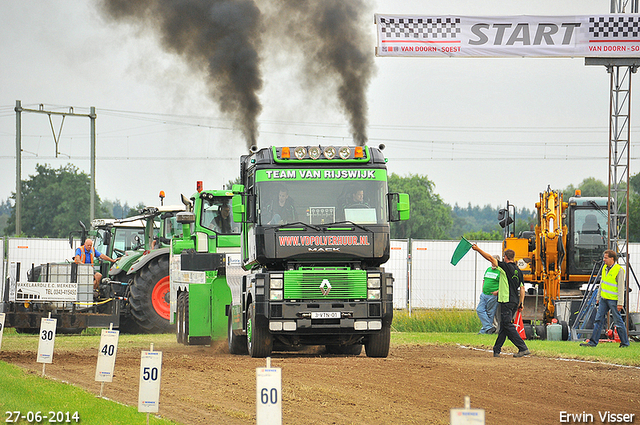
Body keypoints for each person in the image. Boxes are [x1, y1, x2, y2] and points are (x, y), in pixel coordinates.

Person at [472, 244, 530, 358]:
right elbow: (522, 288)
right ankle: (496, 350)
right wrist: (521, 303)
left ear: (505, 257)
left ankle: (523, 348)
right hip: (514, 301)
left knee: (507, 324)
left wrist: (478, 249)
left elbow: (490, 258)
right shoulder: (518, 271)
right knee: (503, 325)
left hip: (506, 301)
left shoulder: (505, 267)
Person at [580, 250, 630, 348]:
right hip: (604, 299)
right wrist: (598, 297)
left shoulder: (619, 270)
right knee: (598, 320)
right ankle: (593, 342)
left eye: (606, 258)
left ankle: (625, 343)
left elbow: (621, 288)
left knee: (618, 321)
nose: (604, 260)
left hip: (613, 300)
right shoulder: (604, 268)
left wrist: (620, 303)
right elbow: (602, 284)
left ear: (612, 259)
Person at [476, 255, 501, 334]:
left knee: (490, 313)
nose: (492, 263)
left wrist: (497, 291)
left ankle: (484, 331)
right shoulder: (488, 269)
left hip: (493, 296)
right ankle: (489, 327)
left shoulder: (500, 271)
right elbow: (484, 280)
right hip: (484, 294)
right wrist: (483, 289)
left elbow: (503, 284)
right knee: (479, 310)